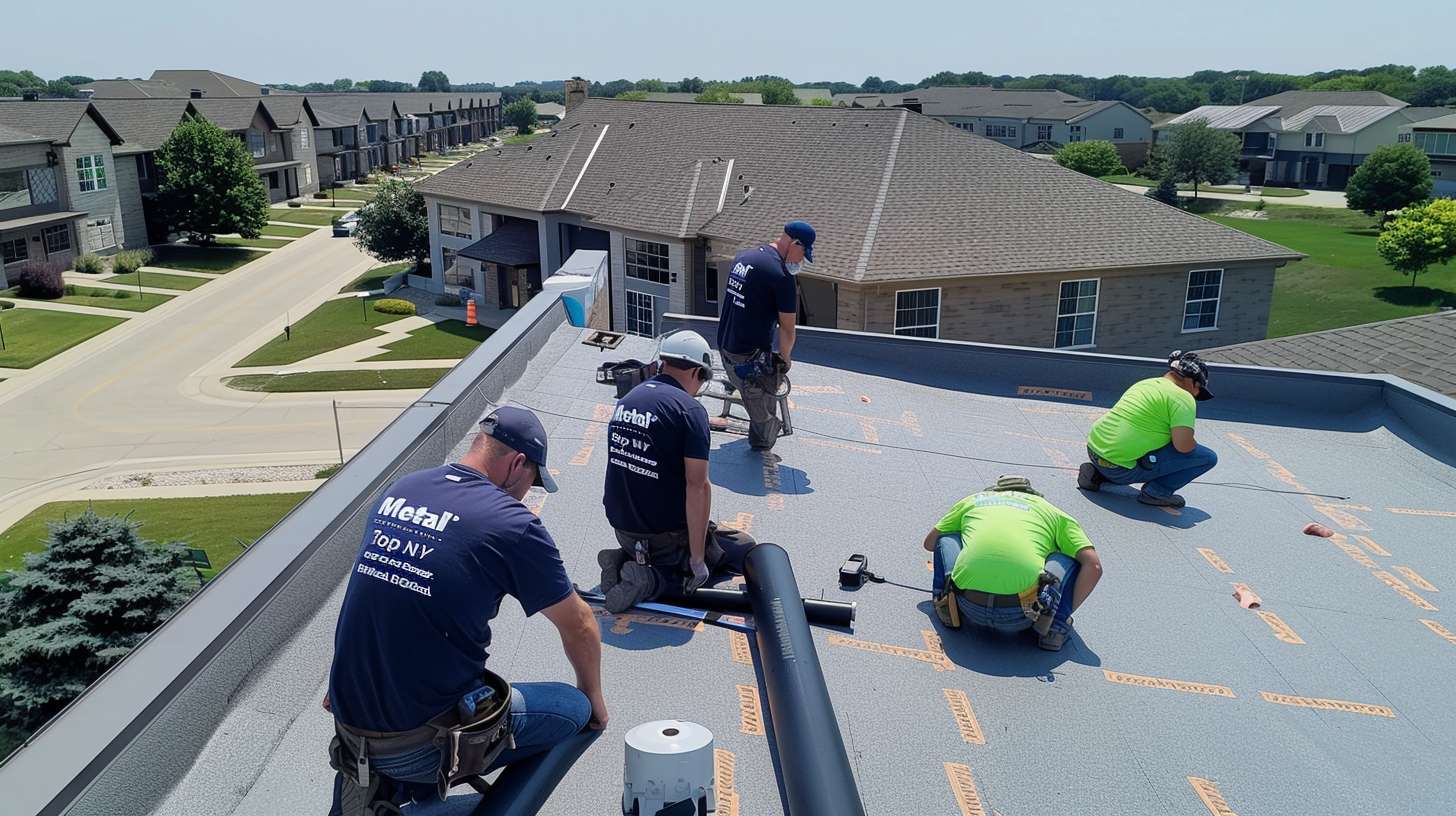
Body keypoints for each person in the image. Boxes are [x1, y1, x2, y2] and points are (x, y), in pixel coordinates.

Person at [326, 407, 606, 814]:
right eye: (532, 481)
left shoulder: (404, 489)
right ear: (516, 464)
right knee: (572, 710)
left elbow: (373, 596)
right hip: (418, 742)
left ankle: (386, 793)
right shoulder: (511, 523)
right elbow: (579, 624)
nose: (528, 493)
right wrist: (594, 696)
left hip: (351, 722)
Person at [600, 330, 757, 613]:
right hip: (662, 538)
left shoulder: (628, 400)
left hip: (622, 529)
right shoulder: (689, 411)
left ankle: (624, 558)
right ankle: (653, 579)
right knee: (740, 549)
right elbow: (697, 487)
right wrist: (698, 559)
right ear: (697, 371)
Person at [925, 476, 1103, 651]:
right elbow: (1094, 567)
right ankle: (1055, 626)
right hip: (1021, 615)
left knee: (947, 538)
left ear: (996, 491)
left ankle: (945, 603)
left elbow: (930, 543)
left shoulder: (973, 501)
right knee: (1072, 557)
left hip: (969, 605)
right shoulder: (1053, 512)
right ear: (1034, 495)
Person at [716, 220, 816, 451]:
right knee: (767, 428)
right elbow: (788, 329)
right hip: (744, 361)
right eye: (802, 253)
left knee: (767, 367)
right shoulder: (781, 277)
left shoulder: (745, 257)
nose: (801, 260)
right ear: (795, 243)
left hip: (724, 347)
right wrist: (785, 360)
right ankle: (762, 436)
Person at [1079, 350, 1220, 508]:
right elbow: (1183, 446)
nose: (1196, 395)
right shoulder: (1183, 397)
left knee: (1133, 445)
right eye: (1199, 390)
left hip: (1094, 451)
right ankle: (1156, 492)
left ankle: (1096, 475)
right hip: (1121, 468)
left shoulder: (1146, 383)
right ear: (1193, 381)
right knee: (1207, 457)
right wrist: (1191, 442)